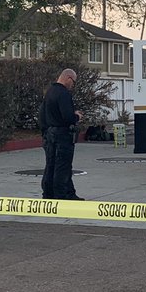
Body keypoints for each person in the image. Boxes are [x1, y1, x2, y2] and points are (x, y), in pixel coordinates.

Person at [40, 68, 83, 200]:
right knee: (63, 166)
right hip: (62, 135)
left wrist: (45, 134)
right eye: (73, 82)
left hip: (50, 134)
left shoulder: (50, 92)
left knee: (50, 165)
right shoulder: (63, 94)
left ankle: (48, 194)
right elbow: (67, 117)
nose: (73, 85)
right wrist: (76, 116)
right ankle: (62, 195)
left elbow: (41, 115)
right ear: (68, 78)